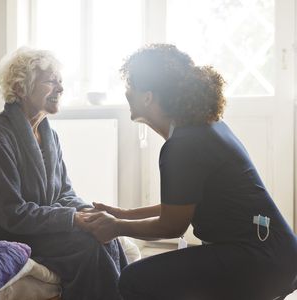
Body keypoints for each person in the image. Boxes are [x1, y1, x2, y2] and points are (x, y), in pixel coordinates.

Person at [78, 44, 297, 300]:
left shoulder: (182, 146)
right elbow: (181, 205)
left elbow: (173, 225)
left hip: (258, 261)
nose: (126, 92)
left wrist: (117, 227)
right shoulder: (203, 128)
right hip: (279, 255)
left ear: (148, 96)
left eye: (130, 85)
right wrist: (123, 214)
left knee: (135, 279)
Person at [0, 47, 127, 300]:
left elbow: (64, 192)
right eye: (50, 81)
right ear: (20, 88)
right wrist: (73, 220)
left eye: (60, 81)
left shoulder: (48, 134)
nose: (60, 88)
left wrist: (90, 214)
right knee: (86, 248)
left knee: (107, 237)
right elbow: (11, 214)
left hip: (30, 225)